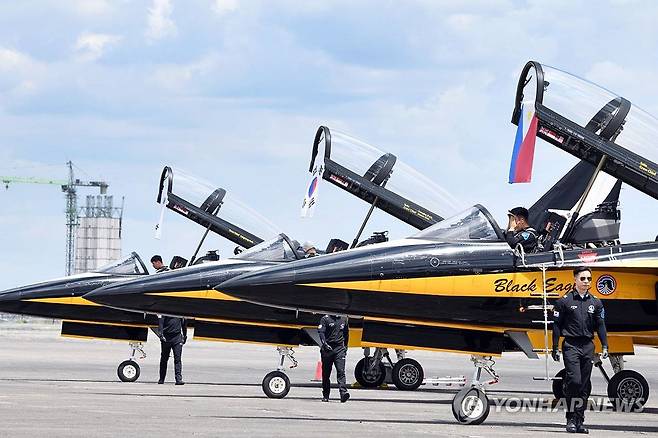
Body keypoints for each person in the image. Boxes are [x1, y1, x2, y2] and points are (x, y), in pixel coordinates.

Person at [552, 266, 608, 434]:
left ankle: (579, 421)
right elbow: (556, 325)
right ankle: (570, 418)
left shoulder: (596, 302)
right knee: (574, 381)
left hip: (588, 346)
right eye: (582, 278)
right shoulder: (564, 301)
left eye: (589, 279)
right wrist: (555, 347)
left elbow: (601, 325)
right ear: (575, 279)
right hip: (571, 345)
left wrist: (605, 345)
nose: (586, 282)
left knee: (584, 386)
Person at [318, 314, 350, 402]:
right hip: (328, 349)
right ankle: (326, 395)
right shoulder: (325, 319)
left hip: (339, 349)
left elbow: (346, 334)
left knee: (341, 371)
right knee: (326, 373)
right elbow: (321, 333)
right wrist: (325, 344)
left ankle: (343, 393)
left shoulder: (344, 319)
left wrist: (345, 347)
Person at [156, 314, 188, 385]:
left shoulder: (180, 311)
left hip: (177, 337)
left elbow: (184, 322)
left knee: (177, 359)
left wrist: (185, 336)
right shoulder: (167, 310)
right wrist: (161, 335)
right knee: (164, 359)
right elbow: (161, 321)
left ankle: (178, 379)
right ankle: (161, 379)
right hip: (166, 338)